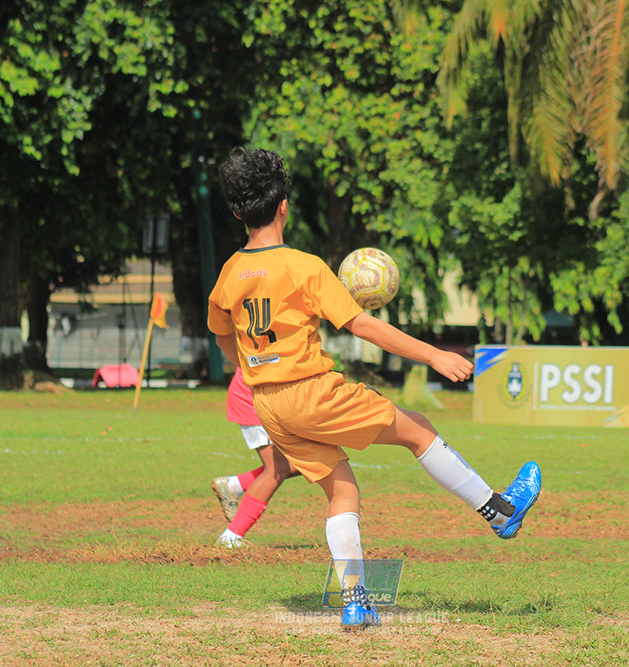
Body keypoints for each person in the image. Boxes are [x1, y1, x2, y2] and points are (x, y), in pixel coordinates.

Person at [207, 147, 541, 630]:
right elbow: (361, 326)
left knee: (342, 494)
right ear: (284, 206)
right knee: (419, 430)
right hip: (312, 393)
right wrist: (435, 354)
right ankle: (499, 512)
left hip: (269, 405)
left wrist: (253, 363)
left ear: (239, 213)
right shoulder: (303, 266)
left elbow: (221, 333)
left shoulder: (231, 272)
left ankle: (356, 601)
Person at [211, 367, 300, 548]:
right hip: (254, 401)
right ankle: (231, 537)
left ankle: (234, 485)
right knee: (277, 469)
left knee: (309, 461)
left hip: (272, 400)